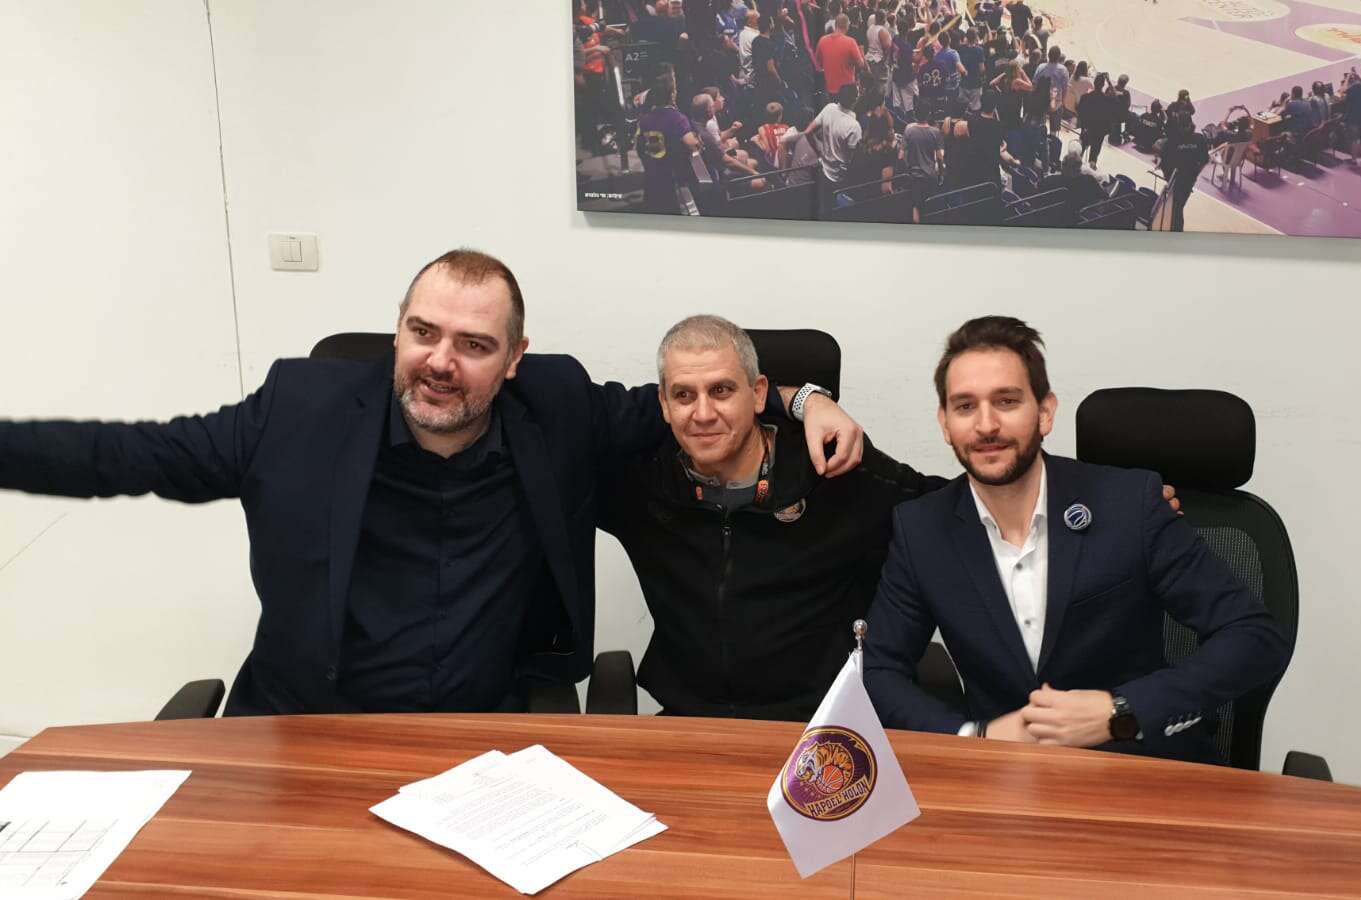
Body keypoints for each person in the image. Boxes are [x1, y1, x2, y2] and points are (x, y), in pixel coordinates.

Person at [0, 249, 867, 716]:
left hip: (483, 741)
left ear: (515, 359)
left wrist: (805, 398)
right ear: (399, 332)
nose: (440, 362)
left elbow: (694, 400)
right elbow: (129, 455)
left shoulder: (558, 404)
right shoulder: (296, 411)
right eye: (423, 333)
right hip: (309, 729)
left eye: (474, 345)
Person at [863, 317, 1290, 762]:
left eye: (1007, 401)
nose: (986, 425)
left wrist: (1122, 712)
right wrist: (974, 737)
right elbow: (876, 670)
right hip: (1005, 774)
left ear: (1045, 412)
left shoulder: (1130, 504)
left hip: (1139, 765)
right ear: (945, 423)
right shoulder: (921, 529)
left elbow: (1254, 636)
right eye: (965, 406)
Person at [597, 316, 938, 719]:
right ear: (664, 406)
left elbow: (956, 510)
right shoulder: (644, 480)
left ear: (758, 394)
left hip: (821, 728)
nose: (703, 414)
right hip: (690, 723)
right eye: (684, 395)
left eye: (721, 391)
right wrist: (805, 398)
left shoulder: (833, 470)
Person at [636, 84, 704, 215]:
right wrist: (698, 141)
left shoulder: (644, 120)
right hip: (673, 178)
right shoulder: (677, 118)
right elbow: (691, 143)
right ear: (671, 96)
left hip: (652, 177)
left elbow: (639, 147)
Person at [804, 82, 864, 191]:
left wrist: (819, 151)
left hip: (824, 171)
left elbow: (808, 132)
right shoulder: (854, 126)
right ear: (855, 99)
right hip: (841, 178)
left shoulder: (829, 108)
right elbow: (853, 158)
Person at [1157, 114, 1209, 232]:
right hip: (1176, 179)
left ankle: (1176, 232)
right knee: (1177, 207)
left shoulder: (1196, 139)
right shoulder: (1176, 139)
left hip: (1186, 180)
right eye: (1183, 126)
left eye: (1186, 126)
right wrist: (1168, 178)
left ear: (1190, 125)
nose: (1184, 128)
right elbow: (1163, 158)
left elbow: (1204, 160)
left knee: (1177, 208)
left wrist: (1195, 173)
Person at [816, 13, 865, 99]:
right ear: (847, 26)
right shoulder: (850, 42)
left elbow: (818, 62)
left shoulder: (822, 40)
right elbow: (861, 64)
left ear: (835, 25)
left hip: (829, 88)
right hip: (847, 89)